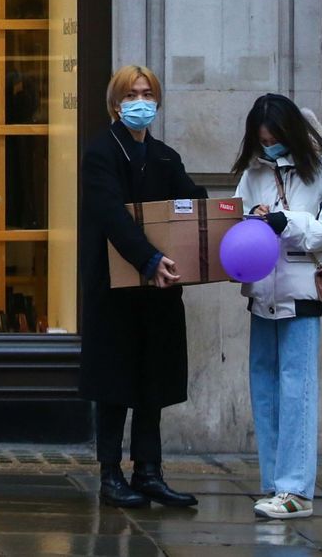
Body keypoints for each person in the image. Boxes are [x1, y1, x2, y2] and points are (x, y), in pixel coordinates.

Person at [79, 64, 204, 509]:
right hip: (116, 289)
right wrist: (149, 259)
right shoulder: (100, 153)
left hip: (159, 291)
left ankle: (148, 472)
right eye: (131, 94)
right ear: (116, 103)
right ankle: (111, 475)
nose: (140, 101)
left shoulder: (165, 156)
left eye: (147, 93)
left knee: (153, 382)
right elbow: (112, 215)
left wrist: (232, 213)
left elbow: (192, 203)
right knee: (115, 384)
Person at [231, 93, 322, 520]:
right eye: (262, 140)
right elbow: (238, 218)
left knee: (297, 389)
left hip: (302, 293)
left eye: (275, 139)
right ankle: (274, 482)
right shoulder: (253, 174)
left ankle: (296, 490)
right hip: (262, 293)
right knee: (264, 387)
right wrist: (255, 219)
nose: (269, 147)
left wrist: (288, 223)